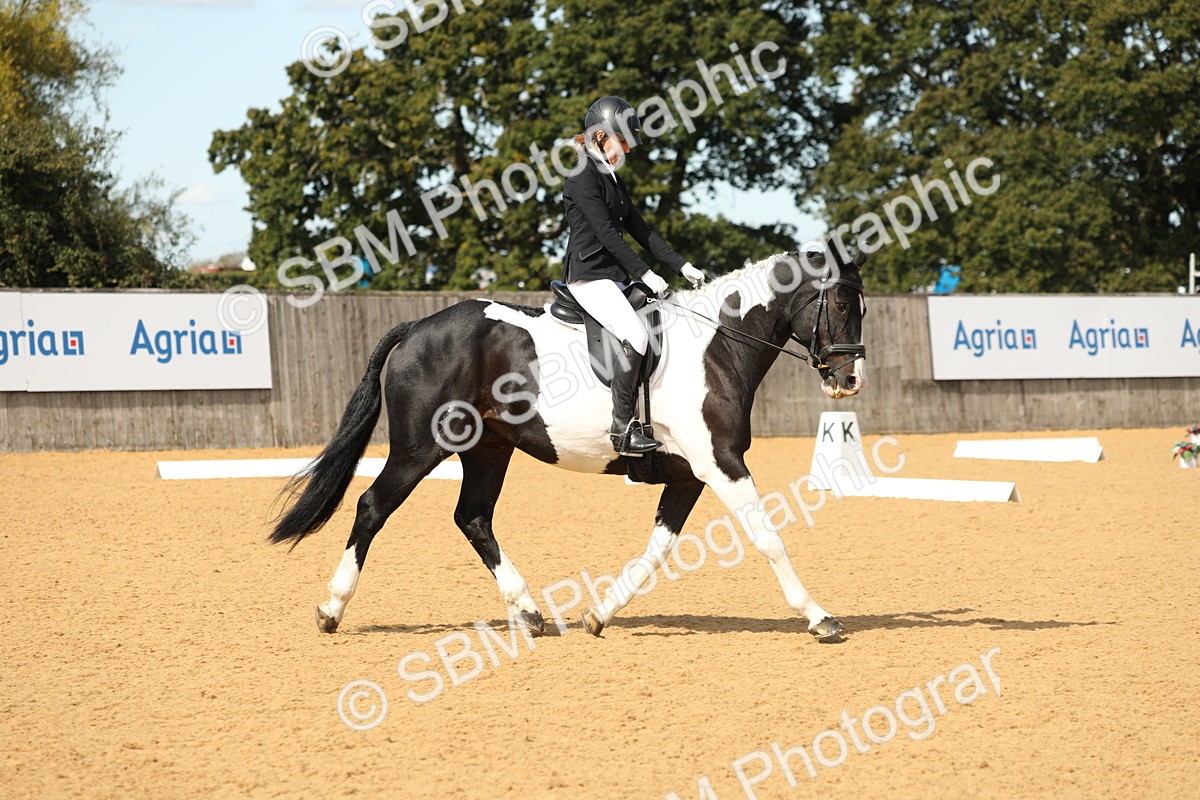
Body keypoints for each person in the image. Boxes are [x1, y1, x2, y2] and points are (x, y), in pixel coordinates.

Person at [562, 95, 706, 457]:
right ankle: (622, 427)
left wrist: (681, 266)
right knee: (637, 335)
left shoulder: (611, 178)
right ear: (599, 137)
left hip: (613, 276)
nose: (625, 149)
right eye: (621, 141)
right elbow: (607, 234)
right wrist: (643, 272)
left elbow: (642, 231)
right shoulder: (582, 176)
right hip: (590, 276)